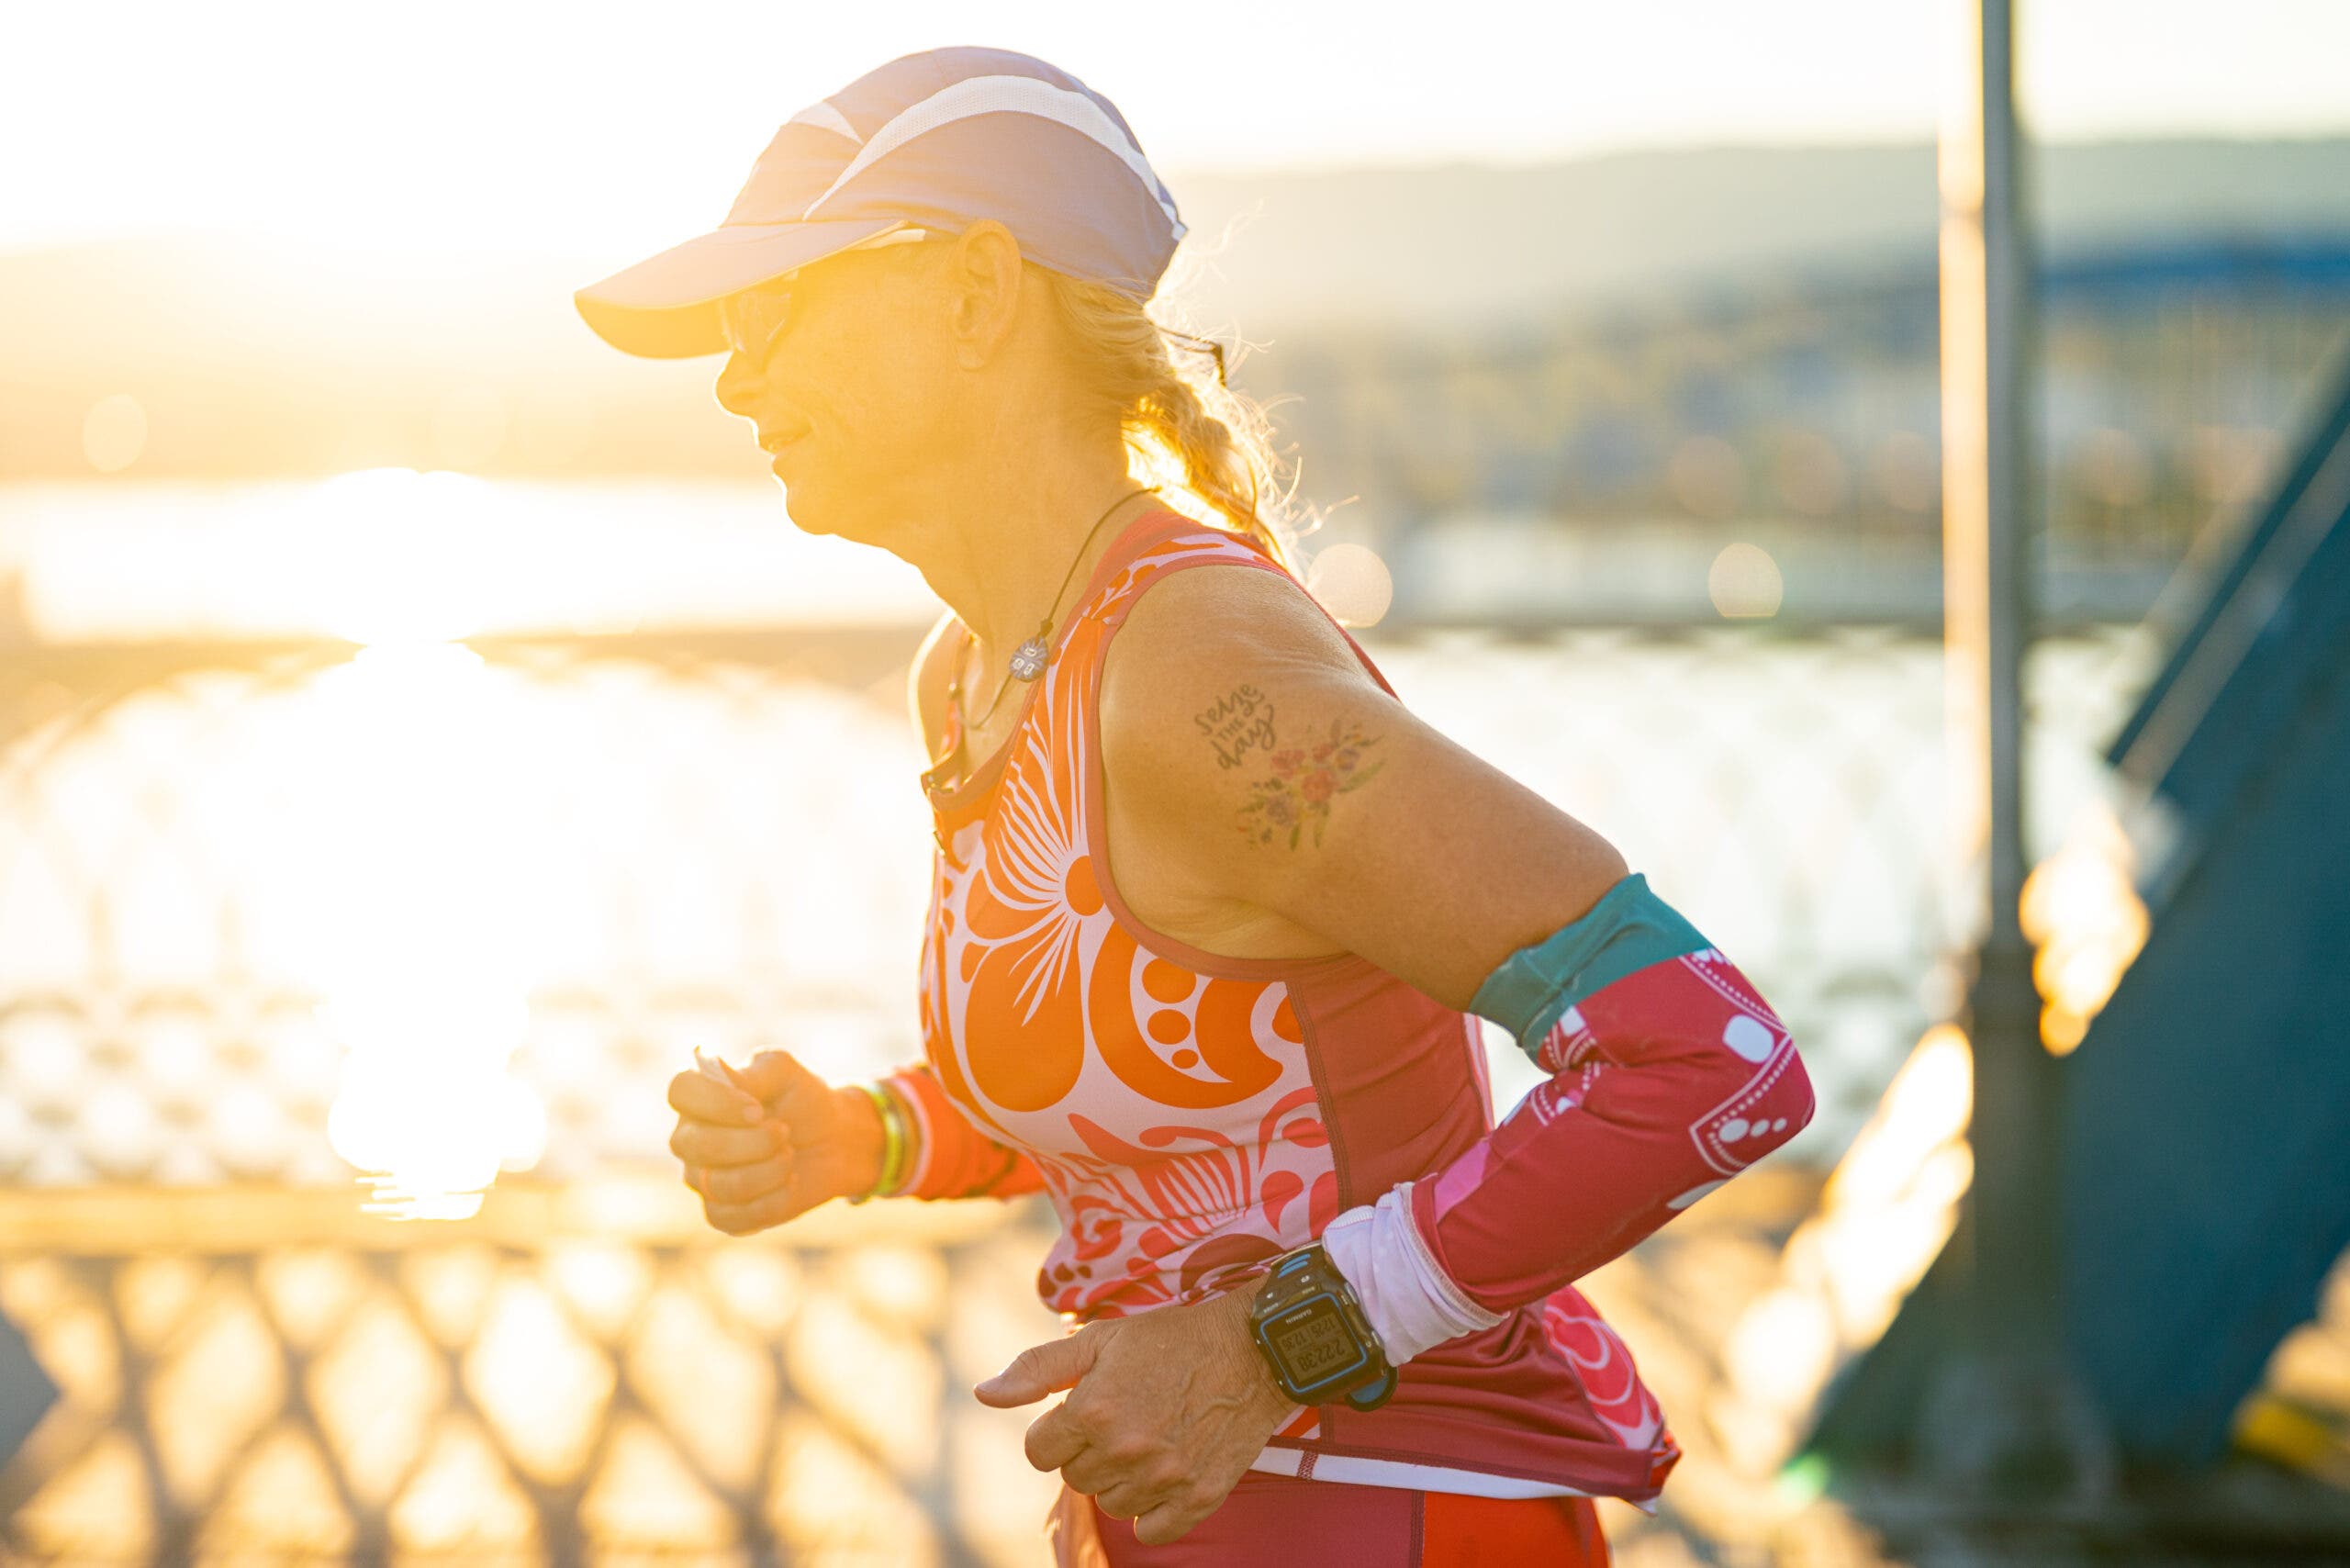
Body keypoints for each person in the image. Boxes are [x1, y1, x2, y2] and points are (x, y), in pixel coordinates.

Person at [577, 45, 1816, 1567]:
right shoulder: (979, 674)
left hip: (1400, 1523)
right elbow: (1171, 1073)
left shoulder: (1197, 678)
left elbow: (1710, 1063)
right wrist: (868, 1136)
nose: (735, 372)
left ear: (976, 291)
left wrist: (1262, 1346)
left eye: (778, 307)